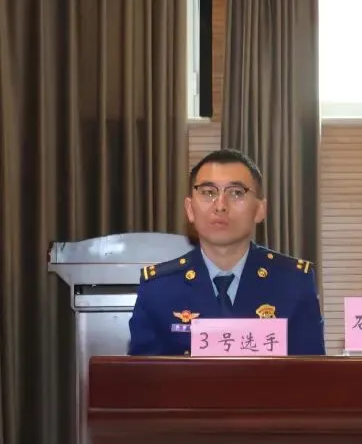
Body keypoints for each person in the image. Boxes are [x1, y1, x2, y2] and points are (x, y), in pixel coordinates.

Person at [128, 149, 325, 356]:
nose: (220, 206)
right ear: (190, 209)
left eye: (236, 193)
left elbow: (310, 373)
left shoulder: (293, 283)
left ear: (260, 209)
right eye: (208, 193)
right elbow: (143, 375)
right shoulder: (159, 289)